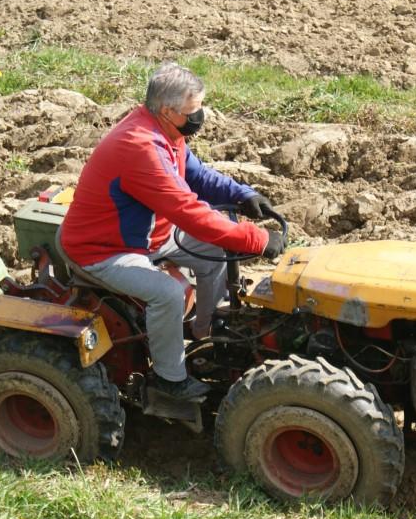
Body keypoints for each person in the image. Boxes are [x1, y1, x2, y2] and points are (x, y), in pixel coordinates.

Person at [59, 62, 284, 400]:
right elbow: (189, 213)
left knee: (214, 251)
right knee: (166, 293)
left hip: (149, 235)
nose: (200, 117)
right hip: (104, 250)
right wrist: (258, 239)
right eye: (194, 111)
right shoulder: (141, 147)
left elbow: (198, 176)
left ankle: (204, 333)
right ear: (168, 110)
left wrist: (243, 195)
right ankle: (170, 380)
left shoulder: (167, 132)